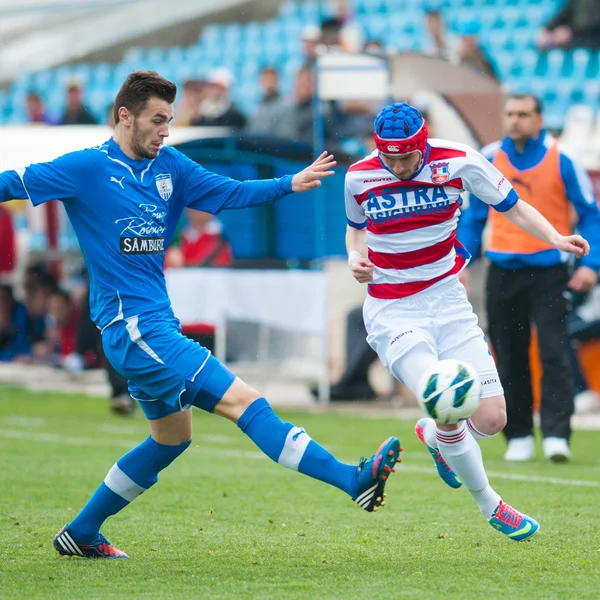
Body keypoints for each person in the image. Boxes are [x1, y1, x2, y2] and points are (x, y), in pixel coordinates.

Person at [0, 70, 400, 559]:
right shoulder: (84, 168)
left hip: (156, 325)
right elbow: (11, 183)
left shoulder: (171, 166)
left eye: (169, 120)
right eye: (156, 120)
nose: (165, 130)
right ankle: (351, 479)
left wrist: (289, 183)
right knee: (245, 402)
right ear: (124, 117)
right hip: (133, 329)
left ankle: (82, 531)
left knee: (171, 439)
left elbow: (230, 192)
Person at [345, 101, 590, 541]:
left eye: (406, 156)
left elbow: (512, 207)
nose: (397, 166)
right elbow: (355, 228)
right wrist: (353, 257)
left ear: (423, 143)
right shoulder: (359, 175)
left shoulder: (460, 160)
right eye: (389, 156)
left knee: (494, 418)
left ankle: (437, 437)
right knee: (445, 398)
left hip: (448, 302)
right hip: (393, 307)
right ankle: (491, 504)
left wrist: (554, 237)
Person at [458, 94, 600, 463]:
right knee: (508, 354)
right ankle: (518, 433)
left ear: (540, 119)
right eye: (509, 113)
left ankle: (556, 435)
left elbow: (590, 214)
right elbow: (472, 219)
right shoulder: (488, 157)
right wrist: (459, 265)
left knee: (555, 351)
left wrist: (590, 264)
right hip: (501, 271)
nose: (515, 120)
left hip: (549, 271)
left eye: (523, 114)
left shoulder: (562, 159)